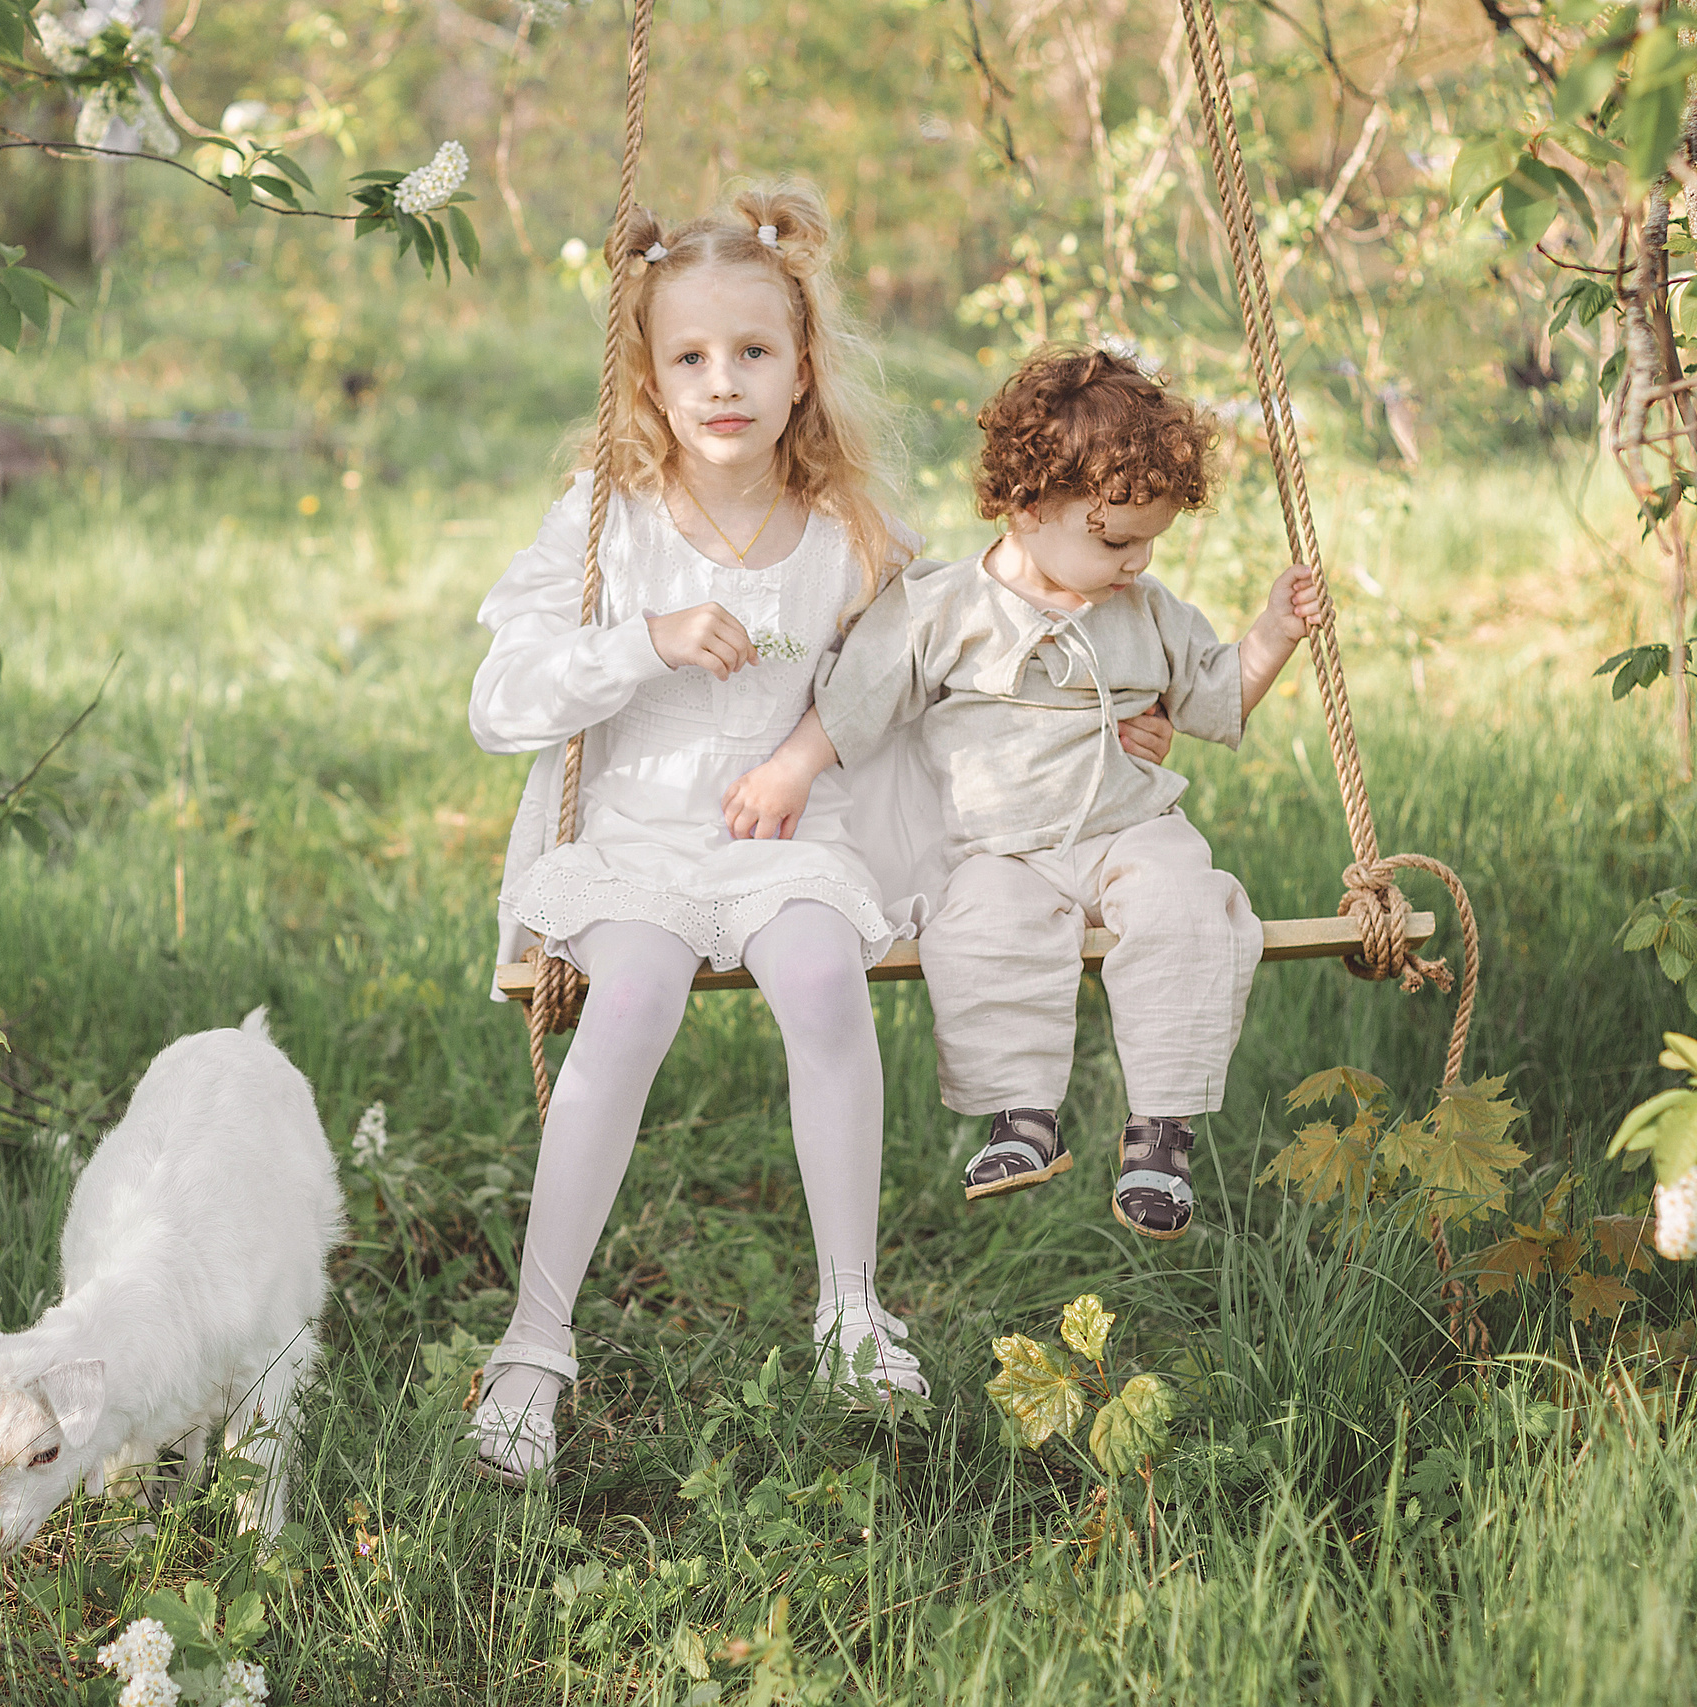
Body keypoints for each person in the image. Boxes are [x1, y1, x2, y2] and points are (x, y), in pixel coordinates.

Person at [464, 189, 1177, 1483]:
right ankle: (534, 1340)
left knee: (819, 976)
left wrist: (1095, 721)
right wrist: (643, 642)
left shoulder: (850, 534)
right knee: (629, 1001)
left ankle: (851, 1309)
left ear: (802, 368)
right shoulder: (607, 522)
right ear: (647, 378)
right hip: (636, 839)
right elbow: (498, 701)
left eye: (752, 351)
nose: (721, 381)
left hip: (791, 839)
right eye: (689, 356)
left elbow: (947, 669)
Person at [736, 345, 1323, 1246]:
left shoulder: (1147, 610)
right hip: (1001, 849)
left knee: (1192, 906)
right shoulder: (944, 608)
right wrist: (791, 767)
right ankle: (1021, 1115)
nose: (1138, 561)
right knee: (977, 929)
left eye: (1151, 540)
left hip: (1133, 828)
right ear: (1028, 505)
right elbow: (859, 695)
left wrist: (1274, 633)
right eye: (1117, 540)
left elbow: (1217, 694)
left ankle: (1161, 1130)